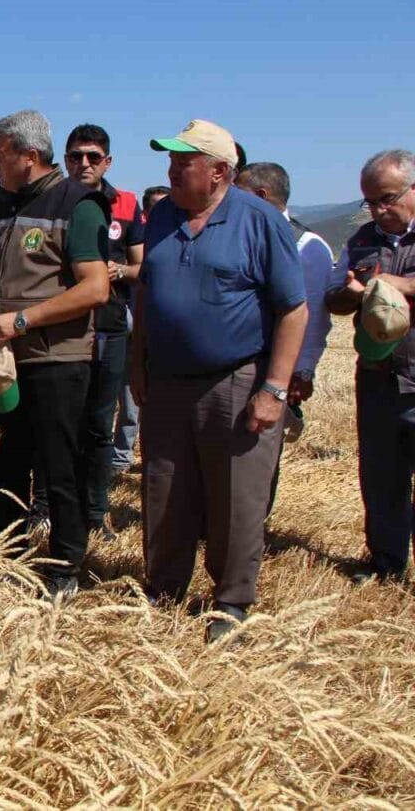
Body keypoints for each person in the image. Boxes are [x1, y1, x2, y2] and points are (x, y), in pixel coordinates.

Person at [131, 120, 307, 642]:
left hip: (235, 379)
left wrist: (274, 388)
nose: (171, 169)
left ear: (219, 172)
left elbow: (293, 310)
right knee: (163, 491)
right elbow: (146, 295)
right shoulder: (162, 216)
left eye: (183, 162)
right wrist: (137, 364)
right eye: (171, 159)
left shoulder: (258, 221)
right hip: (165, 382)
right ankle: (163, 592)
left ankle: (230, 602)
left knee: (236, 498)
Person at [0, 110, 111, 597]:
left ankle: (64, 568)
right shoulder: (1, 208)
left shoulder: (76, 205)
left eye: (0, 154)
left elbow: (96, 288)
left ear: (29, 154)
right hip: (6, 364)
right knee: (10, 463)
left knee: (59, 466)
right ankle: (6, 561)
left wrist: (23, 320)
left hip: (56, 359)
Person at [31, 124, 144, 542]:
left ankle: (96, 513)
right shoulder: (50, 202)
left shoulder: (126, 205)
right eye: (76, 156)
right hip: (60, 333)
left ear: (107, 162)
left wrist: (119, 272)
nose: (83, 164)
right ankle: (43, 507)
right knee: (53, 425)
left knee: (98, 426)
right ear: (64, 159)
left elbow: (141, 267)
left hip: (108, 328)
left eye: (93, 157)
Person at [324, 148, 415, 583]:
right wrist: (351, 293)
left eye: (388, 198)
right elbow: (334, 299)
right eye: (371, 202)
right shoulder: (362, 240)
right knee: (381, 475)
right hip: (378, 377)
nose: (379, 210)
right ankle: (385, 562)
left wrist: (395, 283)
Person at [235, 162, 334, 513]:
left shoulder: (308, 245)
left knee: (260, 456)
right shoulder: (239, 233)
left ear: (262, 196)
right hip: (237, 364)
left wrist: (301, 371)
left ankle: (253, 523)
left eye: (239, 191)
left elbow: (311, 316)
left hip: (277, 369)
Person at [112, 185, 170, 473]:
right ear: (145, 213)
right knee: (128, 399)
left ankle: (154, 457)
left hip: (161, 334)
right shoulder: (134, 241)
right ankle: (121, 456)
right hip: (129, 327)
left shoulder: (173, 241)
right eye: (154, 208)